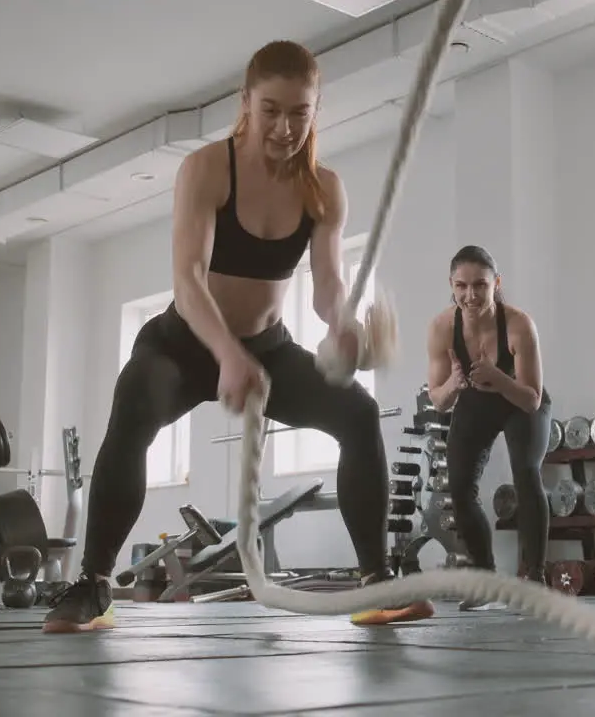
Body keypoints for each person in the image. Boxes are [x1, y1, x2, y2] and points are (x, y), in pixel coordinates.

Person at [43, 40, 433, 633]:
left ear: (316, 109)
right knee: (135, 401)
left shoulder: (324, 188)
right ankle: (94, 583)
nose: (284, 127)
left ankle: (374, 580)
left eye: (299, 113)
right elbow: (187, 277)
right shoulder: (207, 168)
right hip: (183, 343)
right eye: (270, 110)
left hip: (269, 348)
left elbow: (328, 287)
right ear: (245, 102)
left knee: (358, 412)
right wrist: (226, 354)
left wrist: (347, 329)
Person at [426, 246, 552, 607]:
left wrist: (498, 377)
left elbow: (531, 399)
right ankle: (486, 577)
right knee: (460, 486)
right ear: (451, 285)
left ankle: (535, 576)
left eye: (480, 285)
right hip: (474, 402)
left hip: (519, 399)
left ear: (496, 283)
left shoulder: (518, 323)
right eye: (461, 286)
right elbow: (439, 400)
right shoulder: (440, 327)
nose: (470, 295)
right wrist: (454, 383)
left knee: (526, 472)